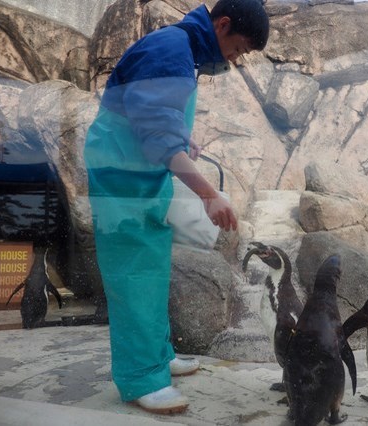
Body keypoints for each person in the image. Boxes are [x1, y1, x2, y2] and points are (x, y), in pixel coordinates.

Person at [83, 0, 270, 415]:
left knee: (151, 266)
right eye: (237, 49)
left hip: (140, 175)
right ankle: (141, 378)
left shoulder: (181, 50)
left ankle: (158, 354)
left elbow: (155, 119)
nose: (234, 59)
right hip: (121, 177)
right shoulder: (171, 50)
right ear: (221, 26)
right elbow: (156, 137)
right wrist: (209, 194)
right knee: (133, 272)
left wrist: (183, 140)